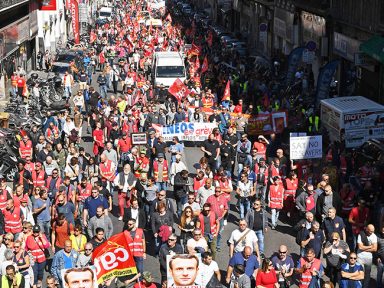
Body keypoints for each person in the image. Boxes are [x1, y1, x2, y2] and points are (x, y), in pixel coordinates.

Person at [357, 224, 377, 288]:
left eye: (373, 231)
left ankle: (365, 286)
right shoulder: (361, 234)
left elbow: (375, 249)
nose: (372, 232)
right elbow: (360, 247)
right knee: (360, 273)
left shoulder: (374, 236)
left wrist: (364, 248)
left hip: (369, 258)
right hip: (360, 257)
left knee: (367, 274)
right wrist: (371, 246)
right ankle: (360, 286)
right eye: (371, 231)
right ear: (367, 229)